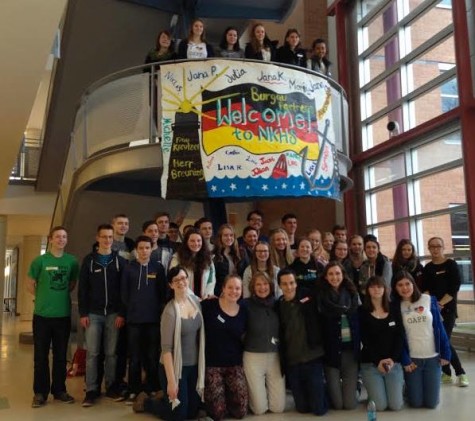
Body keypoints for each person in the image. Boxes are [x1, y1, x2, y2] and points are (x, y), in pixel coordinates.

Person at [133, 266, 205, 420]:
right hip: (174, 368)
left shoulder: (196, 302)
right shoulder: (170, 312)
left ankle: (165, 396)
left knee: (192, 412)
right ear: (171, 285)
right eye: (176, 280)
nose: (181, 282)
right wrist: (172, 382)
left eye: (183, 278)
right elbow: (166, 350)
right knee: (178, 415)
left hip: (193, 367)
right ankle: (147, 402)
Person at [27, 226, 79, 408]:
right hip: (41, 316)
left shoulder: (72, 262)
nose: (61, 239)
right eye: (58, 237)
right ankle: (40, 393)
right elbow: (30, 285)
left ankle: (59, 390)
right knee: (40, 356)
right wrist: (43, 298)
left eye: (64, 237)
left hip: (62, 316)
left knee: (60, 356)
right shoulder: (39, 261)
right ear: (50, 239)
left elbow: (72, 284)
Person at [78, 224, 127, 407]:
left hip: (114, 314)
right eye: (104, 237)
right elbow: (83, 290)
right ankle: (91, 390)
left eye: (110, 237)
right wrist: (83, 313)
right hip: (93, 314)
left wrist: (122, 313)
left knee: (111, 353)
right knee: (92, 353)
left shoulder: (119, 262)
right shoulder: (89, 261)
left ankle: (111, 386)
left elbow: (124, 291)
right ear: (97, 238)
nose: (107, 240)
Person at [391, 271, 451, 408]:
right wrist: (405, 359)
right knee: (415, 403)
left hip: (433, 358)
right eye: (400, 285)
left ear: (413, 284)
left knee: (431, 404)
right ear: (395, 288)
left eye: (407, 284)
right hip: (413, 360)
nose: (404, 288)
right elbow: (397, 336)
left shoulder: (428, 299)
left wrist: (446, 353)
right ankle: (408, 389)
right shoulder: (395, 306)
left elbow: (439, 328)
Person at [121, 236, 167, 403]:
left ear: (151, 249)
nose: (144, 251)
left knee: (152, 356)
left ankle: (152, 387)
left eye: (147, 248)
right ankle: (134, 389)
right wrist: (130, 310)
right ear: (136, 250)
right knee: (134, 357)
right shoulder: (128, 268)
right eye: (141, 248)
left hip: (153, 320)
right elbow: (124, 294)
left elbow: (163, 293)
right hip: (134, 320)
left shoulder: (158, 268)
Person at [276, 268, 328, 415]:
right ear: (279, 285)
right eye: (284, 284)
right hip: (293, 362)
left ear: (296, 283)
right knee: (302, 409)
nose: (289, 287)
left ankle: (326, 390)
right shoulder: (278, 306)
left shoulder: (309, 298)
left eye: (292, 283)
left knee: (319, 410)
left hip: (312, 358)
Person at [422, 237, 469, 387]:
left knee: (445, 341)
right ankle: (446, 373)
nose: (435, 249)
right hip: (434, 310)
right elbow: (425, 288)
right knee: (437, 340)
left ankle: (460, 372)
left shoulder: (451, 264)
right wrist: (434, 305)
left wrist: (441, 303)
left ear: (443, 247)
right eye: (432, 246)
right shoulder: (428, 268)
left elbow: (454, 287)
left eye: (438, 246)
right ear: (429, 248)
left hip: (448, 310)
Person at [202, 275, 249, 420]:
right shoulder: (209, 305)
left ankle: (226, 395)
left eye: (237, 288)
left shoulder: (244, 312)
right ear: (223, 288)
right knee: (217, 414)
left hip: (234, 364)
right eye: (230, 287)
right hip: (213, 365)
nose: (233, 291)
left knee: (240, 412)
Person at [318, 261, 359, 410]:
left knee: (349, 405)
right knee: (337, 404)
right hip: (331, 351)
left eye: (337, 273)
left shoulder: (352, 294)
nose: (334, 277)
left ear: (343, 275)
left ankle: (357, 386)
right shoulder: (321, 297)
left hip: (350, 350)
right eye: (331, 274)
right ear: (326, 277)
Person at [359, 276, 404, 411]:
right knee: (380, 406)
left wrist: (392, 359)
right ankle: (373, 393)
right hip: (371, 364)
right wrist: (377, 360)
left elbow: (400, 336)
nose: (376, 290)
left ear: (385, 289)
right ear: (367, 290)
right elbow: (364, 340)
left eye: (379, 286)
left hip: (393, 363)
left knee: (395, 406)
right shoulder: (361, 311)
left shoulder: (394, 308)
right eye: (372, 287)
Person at [243, 272, 285, 415]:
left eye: (265, 284)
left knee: (278, 408)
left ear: (271, 286)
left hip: (275, 356)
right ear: (252, 287)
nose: (262, 287)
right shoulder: (245, 304)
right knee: (259, 410)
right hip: (253, 356)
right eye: (258, 284)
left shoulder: (278, 304)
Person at [170, 228, 216, 299]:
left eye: (199, 241)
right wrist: (194, 298)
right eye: (192, 241)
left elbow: (211, 280)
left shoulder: (208, 259)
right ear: (186, 242)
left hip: (205, 300)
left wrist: (207, 296)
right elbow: (176, 280)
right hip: (184, 299)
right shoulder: (177, 259)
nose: (196, 243)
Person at [213, 224, 241, 295]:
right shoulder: (214, 255)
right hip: (221, 292)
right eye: (225, 235)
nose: (229, 238)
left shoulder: (241, 253)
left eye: (231, 235)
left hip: (238, 291)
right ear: (220, 237)